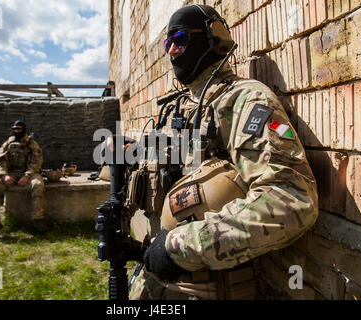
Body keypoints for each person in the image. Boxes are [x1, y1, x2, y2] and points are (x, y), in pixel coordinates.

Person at [129, 4, 318, 299]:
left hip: (208, 288)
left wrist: (177, 246)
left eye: (180, 38)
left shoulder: (245, 101)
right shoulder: (176, 107)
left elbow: (292, 201)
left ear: (213, 38)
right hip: (157, 283)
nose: (172, 51)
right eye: (167, 43)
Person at [0, 120, 47, 237]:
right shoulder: (7, 143)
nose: (16, 131)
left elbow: (37, 161)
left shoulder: (31, 143)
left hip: (28, 173)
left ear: (24, 130)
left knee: (38, 185)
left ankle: (38, 219)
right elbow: (0, 161)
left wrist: (27, 175)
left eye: (19, 129)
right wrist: (4, 175)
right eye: (14, 129)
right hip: (10, 174)